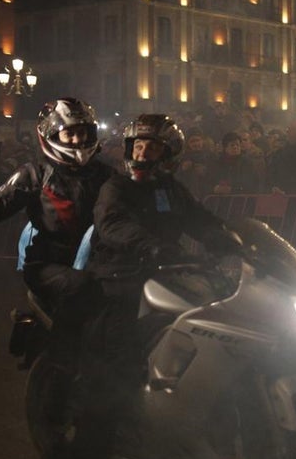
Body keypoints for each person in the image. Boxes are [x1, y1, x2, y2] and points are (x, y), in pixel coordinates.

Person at [0, 97, 112, 329]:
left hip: (98, 262)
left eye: (83, 133)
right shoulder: (35, 174)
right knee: (86, 288)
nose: (78, 140)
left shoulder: (106, 175)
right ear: (52, 136)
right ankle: (66, 354)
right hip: (48, 265)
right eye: (69, 133)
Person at [84, 114, 241, 359]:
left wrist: (229, 237)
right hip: (120, 271)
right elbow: (113, 224)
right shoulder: (117, 187)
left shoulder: (171, 189)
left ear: (168, 155)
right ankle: (112, 390)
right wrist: (152, 246)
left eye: (152, 148)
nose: (142, 154)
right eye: (138, 146)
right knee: (121, 347)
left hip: (162, 270)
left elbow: (198, 218)